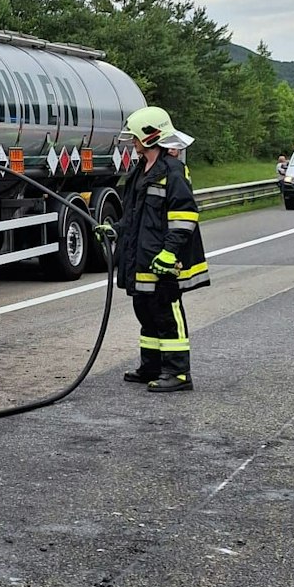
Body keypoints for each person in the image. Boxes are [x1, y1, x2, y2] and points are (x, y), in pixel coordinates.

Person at [114, 105, 209, 393]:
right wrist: (114, 229)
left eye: (135, 137)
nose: (132, 142)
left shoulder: (173, 171)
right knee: (145, 311)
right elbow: (133, 214)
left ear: (150, 136)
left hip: (162, 259)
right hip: (141, 257)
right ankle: (152, 367)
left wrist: (169, 252)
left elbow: (185, 216)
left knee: (167, 313)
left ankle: (178, 373)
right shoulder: (139, 171)